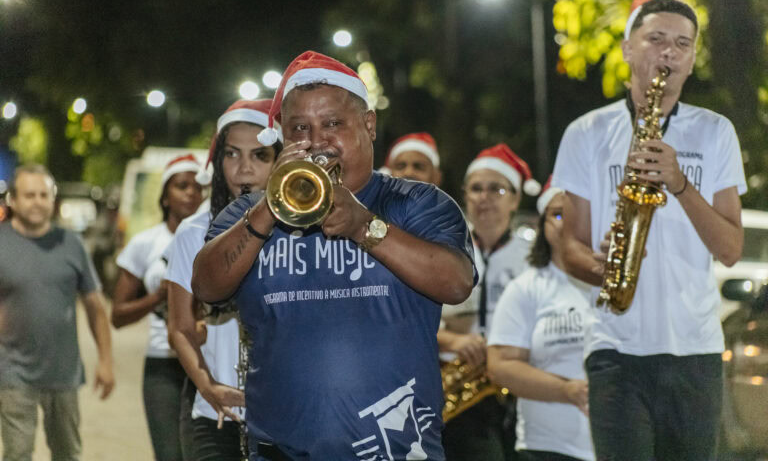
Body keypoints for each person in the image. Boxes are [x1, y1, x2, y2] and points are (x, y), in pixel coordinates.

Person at [192, 50, 476, 460]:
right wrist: (268, 210)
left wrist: (365, 226)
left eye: (333, 124)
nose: (317, 141)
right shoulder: (248, 213)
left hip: (395, 450)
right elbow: (205, 287)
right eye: (300, 128)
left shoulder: (418, 203)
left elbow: (457, 282)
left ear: (369, 124)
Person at [551, 0, 746, 460]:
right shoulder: (586, 132)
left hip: (695, 351)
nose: (669, 53)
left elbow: (732, 248)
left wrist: (679, 184)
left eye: (682, 44)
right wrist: (598, 265)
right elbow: (567, 247)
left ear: (693, 58)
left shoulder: (715, 131)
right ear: (627, 48)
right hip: (614, 350)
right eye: (656, 39)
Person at [165, 99, 281, 461]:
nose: (244, 169)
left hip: (284, 416)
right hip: (215, 415)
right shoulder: (193, 231)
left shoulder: (303, 233)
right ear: (218, 162)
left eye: (260, 156)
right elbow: (180, 328)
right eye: (232, 154)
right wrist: (208, 386)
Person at [0, 164, 114, 461]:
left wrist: (105, 360)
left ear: (53, 199)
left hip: (63, 372)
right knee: (17, 453)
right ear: (12, 200)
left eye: (43, 194)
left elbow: (95, 308)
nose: (37, 201)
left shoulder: (72, 245)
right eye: (29, 195)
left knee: (67, 454)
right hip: (12, 372)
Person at [440, 144, 540, 460]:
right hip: (459, 385)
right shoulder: (442, 250)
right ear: (465, 195)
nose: (484, 197)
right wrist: (455, 339)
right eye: (476, 189)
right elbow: (410, 321)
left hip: (520, 387)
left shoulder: (535, 256)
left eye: (496, 189)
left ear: (515, 199)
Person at [487, 178, 594, 461]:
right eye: (557, 214)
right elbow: (501, 365)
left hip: (620, 442)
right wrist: (567, 390)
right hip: (549, 448)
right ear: (543, 225)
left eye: (576, 214)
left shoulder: (620, 284)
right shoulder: (526, 288)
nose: (565, 224)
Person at [111, 154, 203, 460]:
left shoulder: (215, 239)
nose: (191, 192)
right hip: (163, 365)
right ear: (165, 196)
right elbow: (118, 315)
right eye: (181, 186)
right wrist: (158, 297)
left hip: (207, 361)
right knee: (169, 454)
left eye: (197, 186)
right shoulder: (145, 243)